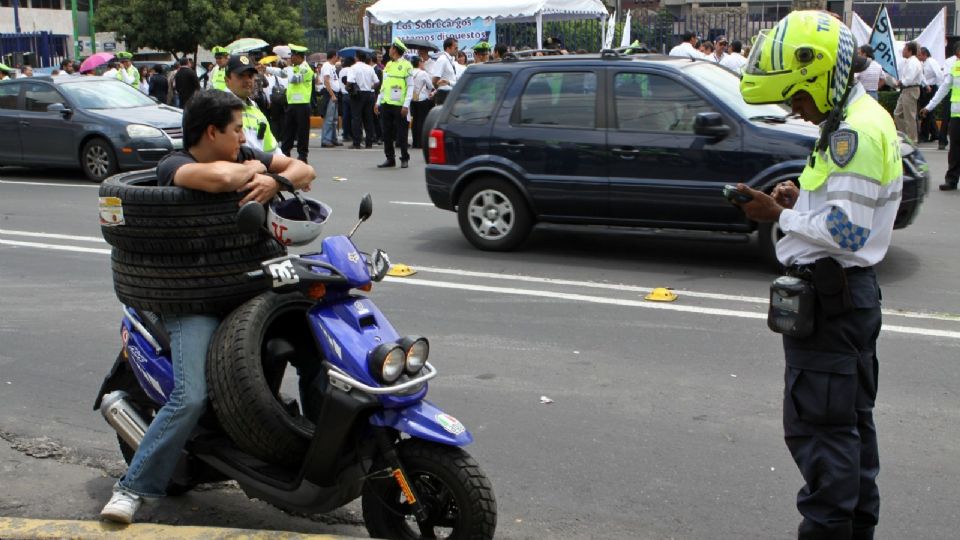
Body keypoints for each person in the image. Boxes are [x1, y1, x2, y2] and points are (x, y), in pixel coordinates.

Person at [99, 89, 315, 524]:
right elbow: (219, 180)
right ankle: (133, 488)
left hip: (250, 287)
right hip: (191, 297)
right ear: (213, 132)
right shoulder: (174, 165)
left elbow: (304, 169)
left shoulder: (243, 153)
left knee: (317, 346)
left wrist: (276, 179)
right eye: (236, 130)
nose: (243, 137)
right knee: (191, 394)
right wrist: (258, 168)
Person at [734, 10, 901, 539]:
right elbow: (841, 203)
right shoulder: (854, 118)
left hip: (833, 306)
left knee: (824, 442)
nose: (795, 109)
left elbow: (848, 233)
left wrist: (777, 214)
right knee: (850, 436)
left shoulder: (854, 131)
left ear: (824, 74)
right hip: (846, 303)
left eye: (799, 98)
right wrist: (797, 195)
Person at [225, 54, 281, 155]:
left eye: (250, 76)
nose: (247, 80)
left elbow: (272, 150)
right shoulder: (220, 108)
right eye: (241, 76)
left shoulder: (255, 109)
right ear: (227, 81)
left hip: (262, 167)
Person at [920, 49, 960, 190]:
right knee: (954, 149)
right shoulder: (956, 67)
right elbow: (944, 88)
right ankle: (951, 180)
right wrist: (929, 107)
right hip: (956, 114)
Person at [375, 38, 414, 169]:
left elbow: (410, 86)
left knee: (401, 133)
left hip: (399, 105)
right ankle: (390, 158)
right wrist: (378, 101)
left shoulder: (407, 65)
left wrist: (406, 105)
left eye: (391, 48)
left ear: (395, 50)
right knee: (386, 132)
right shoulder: (388, 65)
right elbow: (384, 85)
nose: (389, 51)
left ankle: (404, 158)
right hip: (386, 103)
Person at [280, 44, 314, 163]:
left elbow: (293, 79)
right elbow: (281, 73)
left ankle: (302, 156)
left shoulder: (306, 69)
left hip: (302, 105)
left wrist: (289, 68)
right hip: (292, 104)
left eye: (292, 56)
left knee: (302, 131)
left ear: (299, 57)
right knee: (288, 130)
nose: (290, 58)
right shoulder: (295, 68)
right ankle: (285, 153)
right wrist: (266, 69)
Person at [347, 51, 378, 149]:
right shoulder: (370, 68)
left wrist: (348, 87)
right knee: (368, 118)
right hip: (369, 94)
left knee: (356, 118)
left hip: (357, 94)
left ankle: (357, 142)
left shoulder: (353, 68)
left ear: (356, 57)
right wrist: (370, 86)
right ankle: (369, 142)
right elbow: (377, 82)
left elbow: (350, 81)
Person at [893, 41, 923, 143]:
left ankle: (912, 139)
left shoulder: (913, 62)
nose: (903, 52)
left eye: (904, 50)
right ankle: (906, 136)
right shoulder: (909, 62)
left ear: (910, 51)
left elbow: (909, 79)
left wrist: (901, 82)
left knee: (909, 116)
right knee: (897, 113)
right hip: (906, 90)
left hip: (911, 89)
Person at [935, 43, 960, 150]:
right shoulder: (950, 62)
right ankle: (942, 140)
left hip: (951, 92)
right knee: (946, 117)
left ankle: (943, 141)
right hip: (950, 91)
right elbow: (946, 80)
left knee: (947, 118)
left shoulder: (950, 62)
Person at [918, 47, 942, 142]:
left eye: (920, 55)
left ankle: (924, 135)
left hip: (931, 88)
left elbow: (939, 74)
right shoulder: (923, 63)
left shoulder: (931, 62)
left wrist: (937, 85)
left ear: (925, 54)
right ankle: (935, 133)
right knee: (929, 112)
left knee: (927, 112)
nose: (918, 57)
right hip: (926, 88)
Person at [410, 56, 434, 149]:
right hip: (422, 99)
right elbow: (430, 85)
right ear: (419, 62)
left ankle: (415, 142)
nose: (423, 63)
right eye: (422, 61)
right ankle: (420, 142)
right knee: (421, 120)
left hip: (412, 99)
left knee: (414, 120)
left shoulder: (409, 72)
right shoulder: (423, 73)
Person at [319, 50, 342, 148]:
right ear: (333, 56)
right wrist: (332, 94)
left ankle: (333, 138)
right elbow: (326, 81)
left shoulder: (331, 66)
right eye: (337, 56)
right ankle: (326, 140)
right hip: (330, 94)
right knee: (329, 118)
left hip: (334, 93)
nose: (337, 58)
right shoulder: (327, 66)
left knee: (334, 119)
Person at [430, 37, 460, 105]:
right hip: (444, 94)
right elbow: (435, 80)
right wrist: (439, 90)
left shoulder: (450, 59)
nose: (457, 50)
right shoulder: (442, 59)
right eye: (455, 48)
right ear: (448, 48)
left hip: (451, 93)